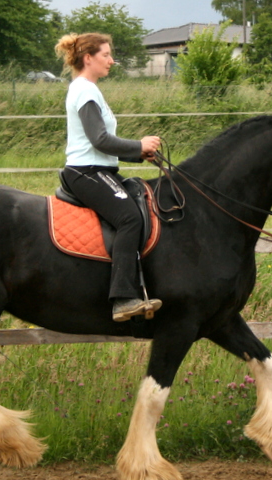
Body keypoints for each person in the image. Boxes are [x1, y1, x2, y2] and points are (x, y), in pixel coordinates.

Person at [54, 32, 163, 322]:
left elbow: (102, 144)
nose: (111, 60)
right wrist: (138, 146)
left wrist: (137, 154)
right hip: (86, 172)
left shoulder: (87, 88)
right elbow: (100, 140)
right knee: (129, 217)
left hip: (98, 168)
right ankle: (123, 299)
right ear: (88, 58)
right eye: (106, 55)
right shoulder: (85, 90)